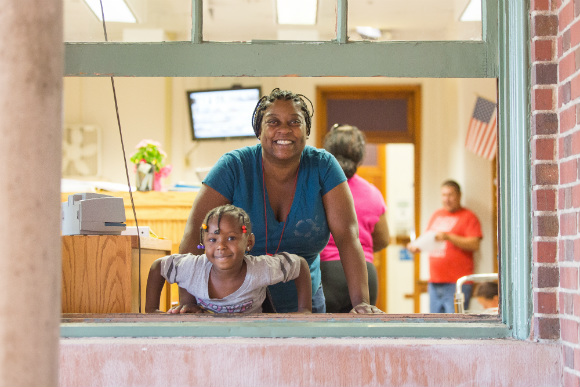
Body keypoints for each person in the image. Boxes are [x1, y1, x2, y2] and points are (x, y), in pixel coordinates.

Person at [178, 88, 382, 314]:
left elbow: (347, 238)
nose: (284, 129)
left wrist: (361, 304)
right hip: (235, 303)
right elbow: (195, 235)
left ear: (307, 130)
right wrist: (189, 301)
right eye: (273, 122)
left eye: (295, 121)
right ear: (259, 130)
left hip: (305, 302)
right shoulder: (233, 167)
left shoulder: (324, 167)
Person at [145, 204, 312, 314]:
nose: (221, 246)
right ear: (203, 242)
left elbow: (300, 265)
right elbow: (158, 267)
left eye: (231, 238)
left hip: (252, 335)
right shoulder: (193, 268)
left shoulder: (261, 269)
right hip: (210, 336)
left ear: (249, 242)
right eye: (212, 239)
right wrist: (152, 311)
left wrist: (305, 310)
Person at [319, 124, 389, 312]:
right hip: (365, 276)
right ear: (359, 155)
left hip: (327, 273)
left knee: (326, 338)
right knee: (359, 338)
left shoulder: (319, 189)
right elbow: (383, 239)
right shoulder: (373, 193)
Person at [408, 180, 482, 313]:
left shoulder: (469, 217)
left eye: (450, 195)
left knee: (455, 327)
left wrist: (449, 237)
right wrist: (416, 247)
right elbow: (428, 239)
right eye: (443, 195)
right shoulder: (437, 215)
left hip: (456, 284)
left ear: (459, 195)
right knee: (436, 327)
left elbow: (474, 244)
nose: (446, 199)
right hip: (434, 282)